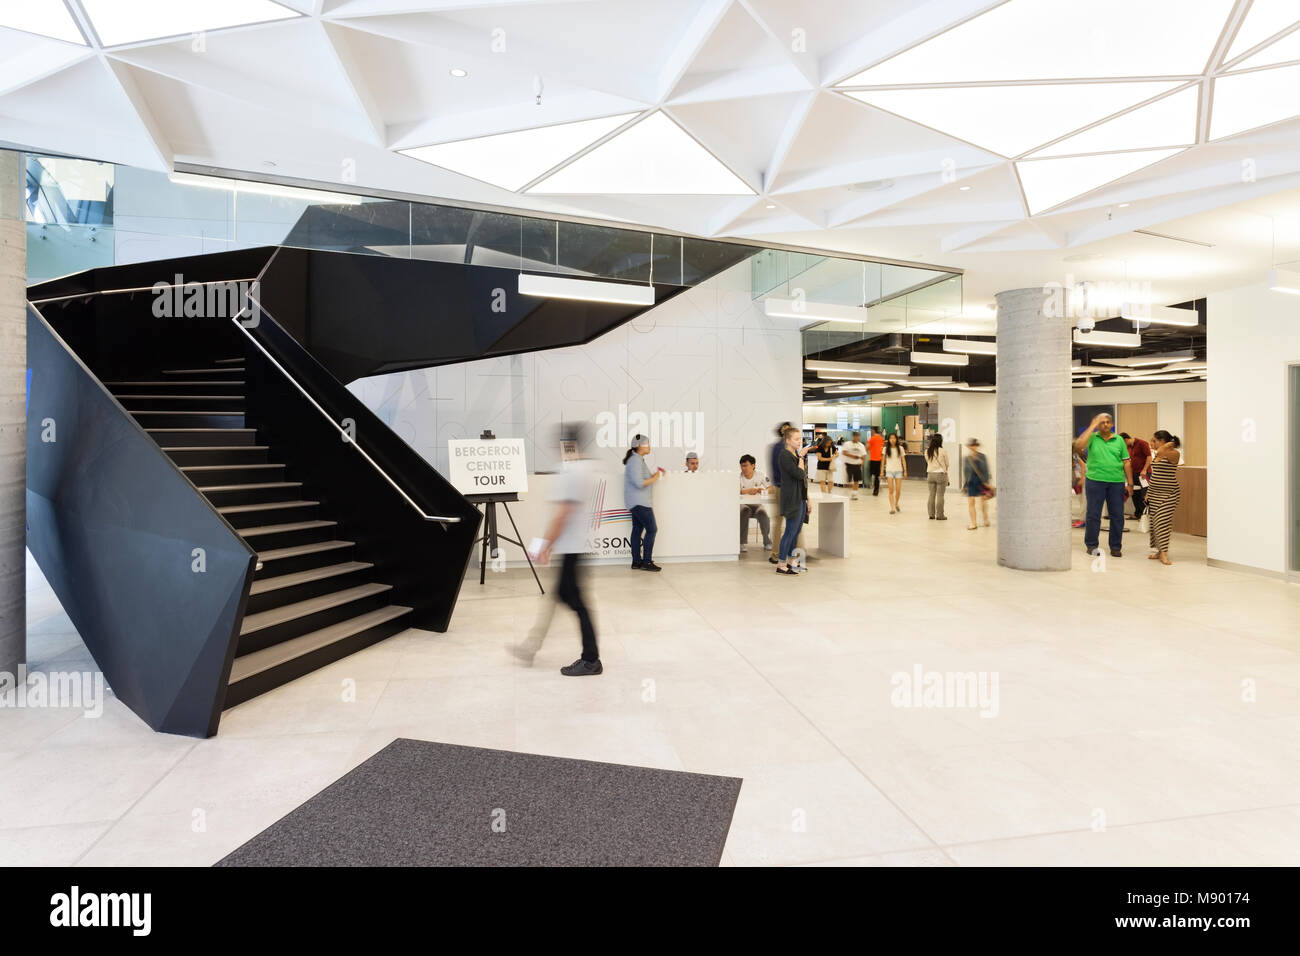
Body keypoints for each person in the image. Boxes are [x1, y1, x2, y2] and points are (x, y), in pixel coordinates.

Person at [510, 424, 602, 677]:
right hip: (574, 548)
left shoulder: (571, 471)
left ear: (566, 444)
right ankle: (532, 645)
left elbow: (562, 515)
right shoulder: (585, 469)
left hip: (571, 549)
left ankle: (591, 658)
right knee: (560, 596)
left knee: (575, 602)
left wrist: (543, 546)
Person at [1073, 412, 1132, 557]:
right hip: (1095, 481)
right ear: (1098, 425)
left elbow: (1126, 462)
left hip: (1116, 483)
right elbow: (1078, 446)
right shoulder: (1092, 438)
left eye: (1107, 422)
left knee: (1117, 516)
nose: (1105, 424)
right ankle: (1092, 545)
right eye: (1102, 422)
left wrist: (1130, 483)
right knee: (1093, 515)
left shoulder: (1119, 440)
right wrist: (1092, 425)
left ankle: (1115, 547)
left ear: (1111, 424)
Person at [768, 422, 808, 565]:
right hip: (792, 498)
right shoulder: (784, 455)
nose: (800, 441)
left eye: (800, 439)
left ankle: (791, 561)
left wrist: (807, 499)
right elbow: (799, 474)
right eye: (796, 439)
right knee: (790, 532)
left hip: (800, 497)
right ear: (788, 440)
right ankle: (782, 563)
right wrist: (802, 458)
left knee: (796, 531)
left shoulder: (794, 454)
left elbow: (802, 479)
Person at [623, 434, 664, 572]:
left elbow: (640, 479)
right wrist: (656, 478)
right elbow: (639, 483)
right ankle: (646, 561)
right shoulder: (635, 461)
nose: (649, 446)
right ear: (639, 445)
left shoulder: (637, 460)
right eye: (647, 443)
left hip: (637, 502)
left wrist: (653, 476)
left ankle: (636, 561)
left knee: (637, 529)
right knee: (652, 529)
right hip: (640, 502)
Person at [1146, 430, 1181, 565]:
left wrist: (1168, 444)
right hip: (1154, 493)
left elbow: (1163, 451)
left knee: (1162, 522)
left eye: (1154, 440)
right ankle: (1159, 551)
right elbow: (1155, 475)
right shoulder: (1157, 454)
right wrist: (1149, 492)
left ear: (1162, 441)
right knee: (1155, 523)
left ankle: (1164, 553)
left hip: (1169, 493)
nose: (1151, 443)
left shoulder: (1174, 454)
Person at [738, 454, 772, 553]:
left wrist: (763, 491)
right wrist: (748, 491)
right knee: (744, 511)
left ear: (753, 465)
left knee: (763, 514)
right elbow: (735, 490)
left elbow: (771, 487)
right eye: (742, 466)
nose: (743, 468)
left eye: (746, 465)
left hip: (757, 505)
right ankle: (742, 543)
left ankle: (767, 542)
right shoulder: (738, 476)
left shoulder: (761, 474)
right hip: (744, 505)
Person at [1121, 432, 1152, 530]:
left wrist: (1144, 469)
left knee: (1144, 494)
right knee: (1134, 494)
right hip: (1134, 474)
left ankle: (1145, 516)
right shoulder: (1129, 448)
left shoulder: (1142, 443)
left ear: (1126, 440)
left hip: (1143, 474)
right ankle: (1138, 514)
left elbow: (1149, 457)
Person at [963, 438, 992, 530]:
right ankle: (973, 523)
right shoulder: (967, 458)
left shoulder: (982, 457)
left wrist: (987, 483)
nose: (973, 447)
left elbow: (986, 470)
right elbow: (965, 471)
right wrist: (965, 483)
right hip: (971, 481)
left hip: (981, 481)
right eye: (972, 445)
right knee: (971, 502)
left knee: (983, 502)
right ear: (969, 447)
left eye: (975, 445)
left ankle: (985, 518)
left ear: (977, 446)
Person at [925, 433, 949, 520]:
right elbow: (947, 464)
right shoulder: (943, 451)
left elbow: (928, 461)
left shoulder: (927, 451)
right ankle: (940, 515)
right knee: (940, 495)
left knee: (931, 495)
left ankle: (931, 514)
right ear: (940, 441)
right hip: (940, 475)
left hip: (930, 474)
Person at [883, 432, 907, 514]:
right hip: (889, 471)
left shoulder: (900, 448)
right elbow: (883, 460)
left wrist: (905, 471)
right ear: (888, 440)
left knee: (898, 490)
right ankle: (892, 508)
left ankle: (896, 503)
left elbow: (903, 460)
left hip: (899, 471)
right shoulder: (885, 449)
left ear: (896, 439)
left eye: (894, 438)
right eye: (891, 438)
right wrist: (882, 471)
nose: (892, 440)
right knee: (891, 490)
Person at [840, 430, 867, 500]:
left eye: (858, 436)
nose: (857, 438)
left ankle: (854, 494)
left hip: (857, 465)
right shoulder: (847, 444)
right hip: (849, 464)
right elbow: (844, 452)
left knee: (856, 480)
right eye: (856, 436)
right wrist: (852, 456)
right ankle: (847, 493)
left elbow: (864, 455)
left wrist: (862, 462)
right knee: (848, 480)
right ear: (853, 436)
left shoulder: (861, 445)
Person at [867, 426, 884, 496]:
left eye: (871, 430)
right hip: (879, 459)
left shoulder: (872, 438)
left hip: (873, 459)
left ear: (874, 431)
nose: (871, 431)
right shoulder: (881, 438)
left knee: (870, 473)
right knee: (877, 476)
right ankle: (876, 490)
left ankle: (869, 485)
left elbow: (867, 447)